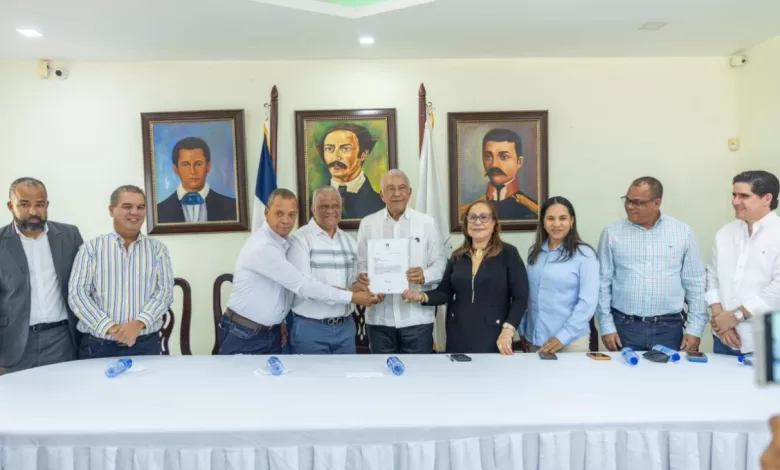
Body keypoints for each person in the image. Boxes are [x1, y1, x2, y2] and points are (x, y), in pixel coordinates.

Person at [219, 188, 378, 355]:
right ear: (266, 213)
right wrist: (352, 297)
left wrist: (362, 285)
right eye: (279, 213)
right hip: (245, 333)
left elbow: (279, 290)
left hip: (272, 332)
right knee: (241, 380)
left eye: (291, 214)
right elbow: (303, 286)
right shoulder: (265, 247)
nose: (286, 220)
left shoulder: (284, 242)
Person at [401, 200, 528, 354]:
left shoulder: (509, 254)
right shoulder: (457, 256)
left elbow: (521, 297)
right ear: (466, 224)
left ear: (494, 223)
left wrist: (508, 330)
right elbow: (444, 293)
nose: (477, 222)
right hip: (458, 334)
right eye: (472, 217)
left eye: (484, 217)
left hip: (495, 335)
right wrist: (420, 296)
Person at [596, 176, 707, 352]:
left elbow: (696, 283)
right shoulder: (611, 233)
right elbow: (602, 282)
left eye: (637, 202)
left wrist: (695, 330)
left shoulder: (682, 233)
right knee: (622, 378)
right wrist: (606, 326)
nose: (630, 206)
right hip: (624, 327)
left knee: (667, 378)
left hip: (669, 328)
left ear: (657, 203)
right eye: (627, 200)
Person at [69, 185, 174, 359]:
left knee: (147, 387)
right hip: (97, 345)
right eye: (127, 206)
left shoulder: (158, 250)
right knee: (95, 387)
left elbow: (165, 293)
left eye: (140, 207)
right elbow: (78, 295)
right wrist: (111, 328)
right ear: (111, 210)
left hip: (145, 344)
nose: (135, 212)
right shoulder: (91, 249)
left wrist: (138, 324)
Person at [356, 169, 448, 354]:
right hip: (379, 318)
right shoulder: (367, 224)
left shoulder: (426, 223)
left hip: (417, 319)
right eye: (390, 188)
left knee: (417, 378)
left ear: (410, 192)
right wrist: (365, 279)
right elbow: (360, 263)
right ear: (382, 194)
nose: (396, 193)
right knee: (384, 377)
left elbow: (440, 263)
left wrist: (424, 276)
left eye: (402, 188)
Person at [0, 177, 83, 374]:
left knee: (65, 400)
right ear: (11, 206)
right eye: (24, 204)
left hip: (63, 341)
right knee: (17, 403)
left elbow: (84, 285)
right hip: (14, 344)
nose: (33, 212)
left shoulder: (69, 236)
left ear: (47, 205)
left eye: (40, 204)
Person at [707, 170, 780, 355]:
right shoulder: (725, 233)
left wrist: (736, 316)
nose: (735, 201)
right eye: (734, 195)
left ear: (767, 198)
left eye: (744, 196)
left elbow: (777, 290)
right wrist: (720, 320)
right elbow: (712, 277)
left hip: (765, 344)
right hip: (724, 339)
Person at [521, 196, 598, 354]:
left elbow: (587, 302)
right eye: (550, 218)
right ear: (543, 221)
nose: (556, 224)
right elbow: (528, 295)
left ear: (572, 221)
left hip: (570, 342)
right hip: (536, 339)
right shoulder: (534, 253)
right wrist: (523, 328)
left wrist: (562, 337)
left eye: (562, 218)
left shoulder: (584, 255)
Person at [287, 186, 360, 354]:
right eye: (323, 206)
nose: (330, 211)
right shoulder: (300, 240)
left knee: (347, 379)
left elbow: (354, 282)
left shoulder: (349, 241)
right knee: (313, 380)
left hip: (345, 328)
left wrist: (363, 283)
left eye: (335, 206)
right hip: (311, 328)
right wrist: (352, 294)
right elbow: (307, 288)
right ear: (313, 209)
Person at [459, 128, 538, 222]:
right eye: (488, 157)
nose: (494, 164)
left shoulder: (535, 210)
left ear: (519, 162)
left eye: (504, 157)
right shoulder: (465, 212)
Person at [157, 136, 237, 223]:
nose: (192, 171)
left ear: (208, 166)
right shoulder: (159, 211)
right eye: (185, 164)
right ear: (176, 169)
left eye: (198, 164)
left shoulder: (232, 207)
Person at [316, 123, 384, 219]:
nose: (336, 156)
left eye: (345, 149)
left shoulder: (381, 204)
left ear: (363, 154)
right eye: (329, 149)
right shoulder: (313, 202)